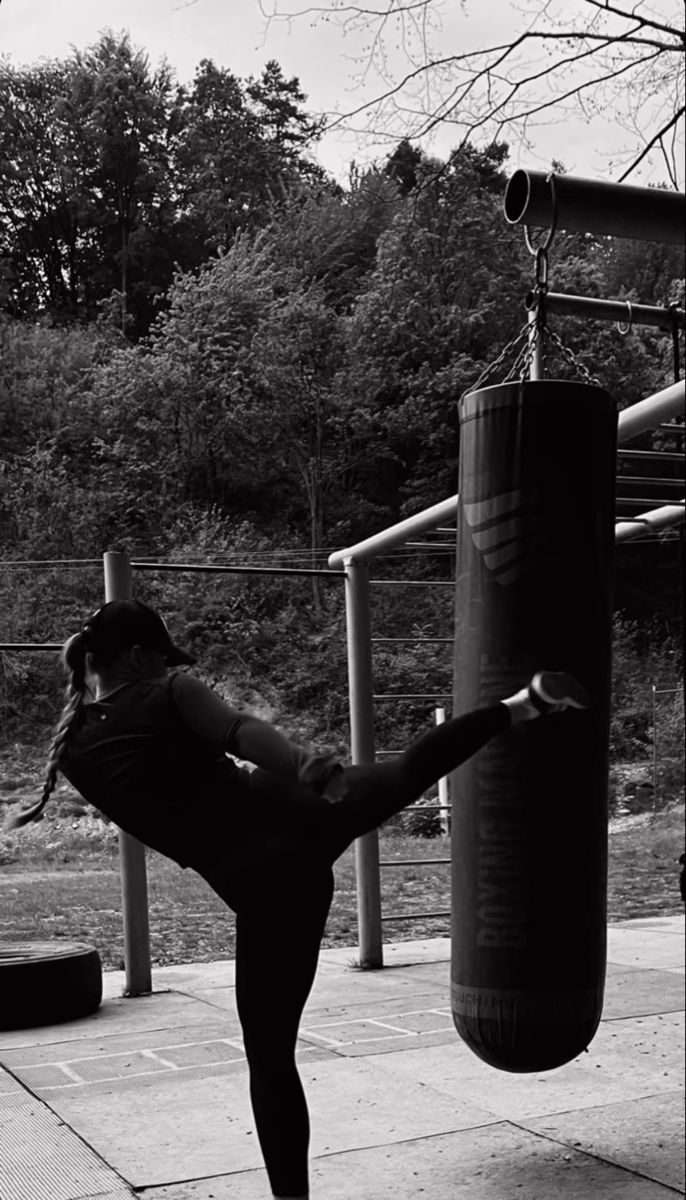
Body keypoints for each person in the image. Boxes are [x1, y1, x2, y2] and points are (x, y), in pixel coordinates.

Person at [5, 599, 590, 1200]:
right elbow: (238, 731)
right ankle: (525, 704)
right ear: (138, 655)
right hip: (293, 805)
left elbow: (167, 798)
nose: (167, 667)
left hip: (266, 884)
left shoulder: (69, 752)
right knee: (410, 768)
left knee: (270, 1058)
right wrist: (304, 765)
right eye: (161, 658)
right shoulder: (169, 691)